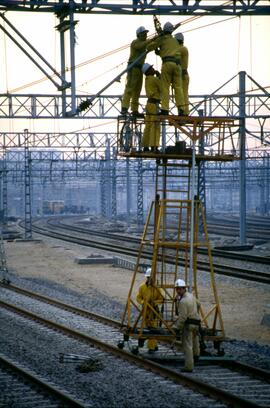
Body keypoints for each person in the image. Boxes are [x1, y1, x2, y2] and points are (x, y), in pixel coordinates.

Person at [147, 21, 185, 116]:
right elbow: (170, 51)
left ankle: (165, 109)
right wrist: (160, 52)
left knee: (165, 87)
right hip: (177, 65)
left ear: (164, 30)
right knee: (178, 88)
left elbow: (149, 47)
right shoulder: (175, 41)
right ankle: (181, 109)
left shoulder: (162, 39)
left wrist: (154, 40)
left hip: (167, 64)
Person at [121, 26, 151, 117]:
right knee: (130, 88)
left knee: (137, 91)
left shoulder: (145, 43)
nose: (146, 35)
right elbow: (140, 46)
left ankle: (135, 110)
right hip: (133, 67)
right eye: (144, 34)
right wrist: (151, 40)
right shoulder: (135, 42)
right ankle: (124, 108)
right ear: (139, 35)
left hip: (139, 69)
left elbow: (149, 45)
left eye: (146, 34)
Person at [174, 279, 201, 372]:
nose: (178, 291)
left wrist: (177, 328)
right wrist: (195, 313)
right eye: (177, 289)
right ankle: (196, 356)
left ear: (184, 288)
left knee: (188, 345)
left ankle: (189, 367)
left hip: (189, 325)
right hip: (197, 323)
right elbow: (199, 304)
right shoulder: (191, 296)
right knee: (195, 340)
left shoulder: (182, 301)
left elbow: (182, 318)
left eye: (179, 289)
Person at [136, 267, 164, 353]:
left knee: (153, 329)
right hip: (145, 311)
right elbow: (138, 297)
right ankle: (154, 346)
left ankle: (151, 347)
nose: (150, 279)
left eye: (151, 278)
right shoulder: (142, 287)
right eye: (149, 278)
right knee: (146, 328)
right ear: (147, 278)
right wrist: (142, 302)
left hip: (154, 311)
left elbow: (162, 299)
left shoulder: (157, 288)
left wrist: (155, 303)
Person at [141, 63, 161, 153]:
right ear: (148, 71)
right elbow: (163, 86)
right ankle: (154, 146)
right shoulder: (154, 79)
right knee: (155, 125)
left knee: (148, 126)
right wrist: (160, 76)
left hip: (149, 104)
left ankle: (145, 146)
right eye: (151, 68)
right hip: (154, 105)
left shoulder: (147, 80)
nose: (153, 69)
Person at [174, 32, 189, 115]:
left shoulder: (182, 49)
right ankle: (183, 111)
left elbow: (173, 54)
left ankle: (184, 112)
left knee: (182, 94)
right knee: (182, 94)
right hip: (181, 75)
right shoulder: (182, 48)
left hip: (182, 74)